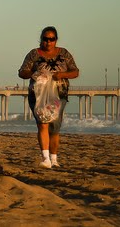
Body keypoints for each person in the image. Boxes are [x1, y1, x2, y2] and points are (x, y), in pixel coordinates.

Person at [18, 26, 79, 169]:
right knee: (42, 123)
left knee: (54, 127)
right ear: (41, 40)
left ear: (56, 40)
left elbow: (75, 72)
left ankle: (54, 159)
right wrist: (34, 72)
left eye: (51, 39)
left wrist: (62, 75)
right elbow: (22, 72)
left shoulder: (64, 54)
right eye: (45, 39)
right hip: (38, 94)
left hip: (59, 94)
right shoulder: (33, 54)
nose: (48, 42)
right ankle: (45, 158)